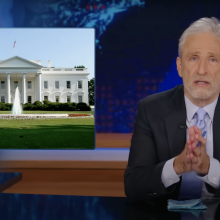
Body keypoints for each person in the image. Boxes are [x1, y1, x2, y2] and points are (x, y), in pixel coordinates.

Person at [124, 17, 220, 203]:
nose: (201, 70)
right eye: (193, 58)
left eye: (213, 59)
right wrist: (176, 166)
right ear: (179, 66)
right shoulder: (151, 109)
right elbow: (134, 184)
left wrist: (210, 168)